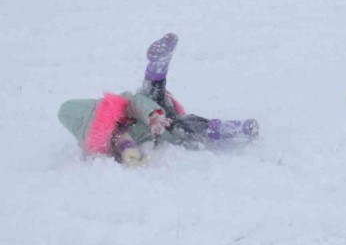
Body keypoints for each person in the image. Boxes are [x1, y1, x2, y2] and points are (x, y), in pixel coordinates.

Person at [58, 33, 259, 166]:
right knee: (184, 127)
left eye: (111, 125)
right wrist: (129, 153)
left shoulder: (122, 105)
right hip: (168, 125)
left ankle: (158, 65)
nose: (115, 132)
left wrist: (153, 115)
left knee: (151, 92)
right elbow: (127, 154)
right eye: (109, 133)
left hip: (157, 110)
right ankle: (230, 128)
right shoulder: (112, 144)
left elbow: (138, 102)